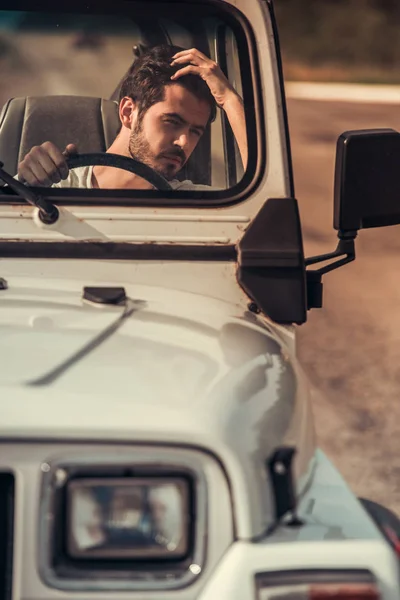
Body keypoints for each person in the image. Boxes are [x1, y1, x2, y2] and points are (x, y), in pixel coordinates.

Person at [17, 45, 247, 191]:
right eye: (172, 122)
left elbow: (271, 209)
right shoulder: (58, 186)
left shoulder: (199, 204)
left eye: (196, 131)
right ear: (128, 112)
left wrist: (229, 99)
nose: (184, 143)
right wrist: (24, 185)